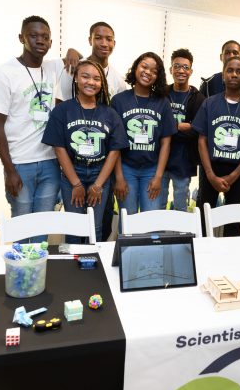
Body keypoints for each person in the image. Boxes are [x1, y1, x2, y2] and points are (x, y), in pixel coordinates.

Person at [0, 15, 63, 242]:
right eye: (33, 35)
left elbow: (76, 56)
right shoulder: (4, 73)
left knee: (42, 225)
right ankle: (21, 276)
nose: (40, 41)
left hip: (50, 163)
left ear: (50, 42)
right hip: (19, 163)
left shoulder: (53, 68)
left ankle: (37, 274)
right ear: (21, 38)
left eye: (45, 37)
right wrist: (9, 169)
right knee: (21, 223)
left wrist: (72, 53)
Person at [42, 60, 127, 242]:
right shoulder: (62, 110)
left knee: (94, 227)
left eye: (97, 79)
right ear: (76, 80)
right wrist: (76, 184)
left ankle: (92, 266)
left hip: (100, 174)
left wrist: (97, 185)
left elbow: (114, 152)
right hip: (72, 173)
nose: (91, 82)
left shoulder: (110, 114)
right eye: (85, 76)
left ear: (102, 84)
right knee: (73, 226)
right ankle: (73, 267)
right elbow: (59, 148)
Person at [59, 22, 127, 240]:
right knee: (75, 224)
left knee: (101, 223)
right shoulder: (72, 70)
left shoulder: (118, 80)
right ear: (90, 39)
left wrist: (110, 177)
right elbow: (62, 122)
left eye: (109, 39)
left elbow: (116, 136)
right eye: (98, 37)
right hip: (75, 162)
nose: (104, 43)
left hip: (103, 165)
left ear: (114, 43)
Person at [193, 56, 240, 237]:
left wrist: (234, 175)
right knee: (203, 218)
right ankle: (202, 256)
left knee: (232, 221)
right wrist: (210, 174)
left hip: (238, 169)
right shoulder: (209, 103)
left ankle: (229, 260)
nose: (234, 74)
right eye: (230, 70)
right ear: (223, 75)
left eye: (239, 71)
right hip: (210, 167)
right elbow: (201, 139)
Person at [111, 52, 176, 214]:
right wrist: (118, 177)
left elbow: (166, 142)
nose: (148, 72)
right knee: (128, 222)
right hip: (126, 169)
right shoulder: (119, 101)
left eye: (154, 71)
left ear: (158, 77)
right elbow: (114, 143)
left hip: (151, 170)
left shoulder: (163, 103)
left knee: (151, 222)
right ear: (135, 68)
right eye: (144, 66)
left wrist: (159, 177)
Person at [163, 49, 205, 211]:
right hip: (160, 160)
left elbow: (196, 130)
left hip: (184, 160)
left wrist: (169, 128)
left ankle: (179, 236)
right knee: (158, 203)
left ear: (191, 71)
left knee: (181, 205)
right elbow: (156, 126)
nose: (181, 70)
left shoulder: (198, 98)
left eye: (186, 67)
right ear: (170, 69)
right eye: (177, 66)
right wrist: (179, 126)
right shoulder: (161, 94)